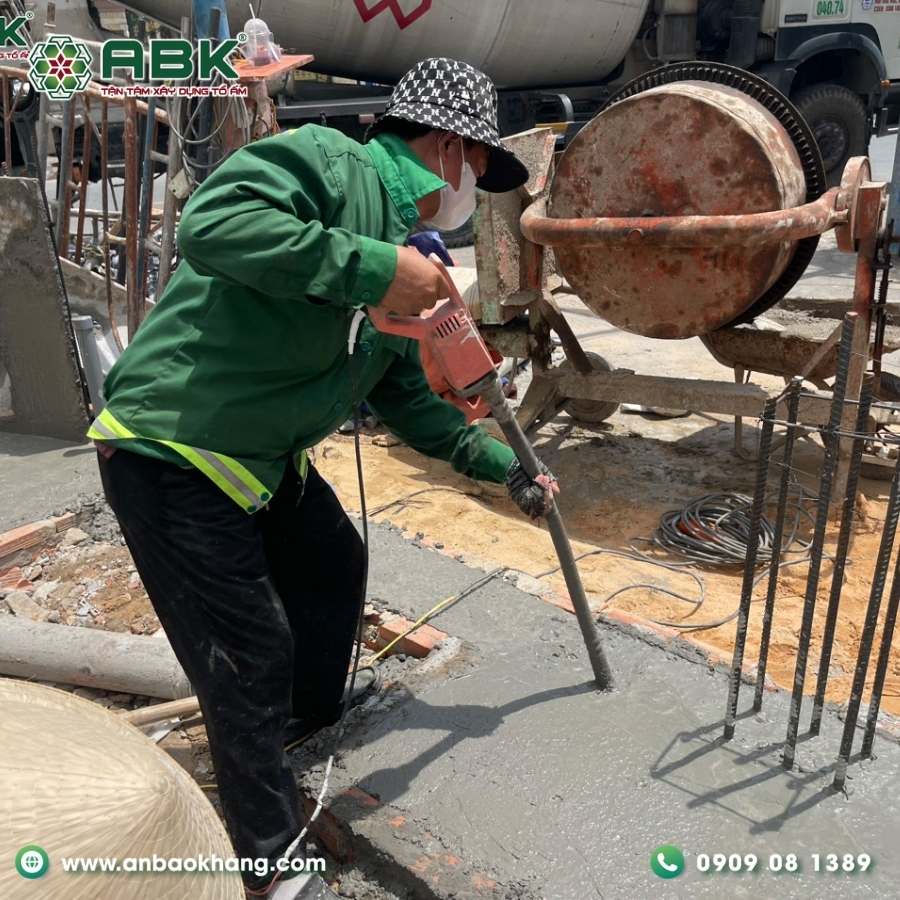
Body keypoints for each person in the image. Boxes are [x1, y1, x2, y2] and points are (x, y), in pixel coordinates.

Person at [89, 57, 557, 897]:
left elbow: (409, 401)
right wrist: (374, 269)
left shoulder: (409, 254)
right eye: (480, 169)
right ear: (449, 150)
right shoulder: (332, 164)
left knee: (335, 562)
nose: (472, 194)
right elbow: (213, 225)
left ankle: (298, 724)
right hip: (172, 446)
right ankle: (269, 856)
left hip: (260, 454)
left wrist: (507, 469)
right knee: (248, 652)